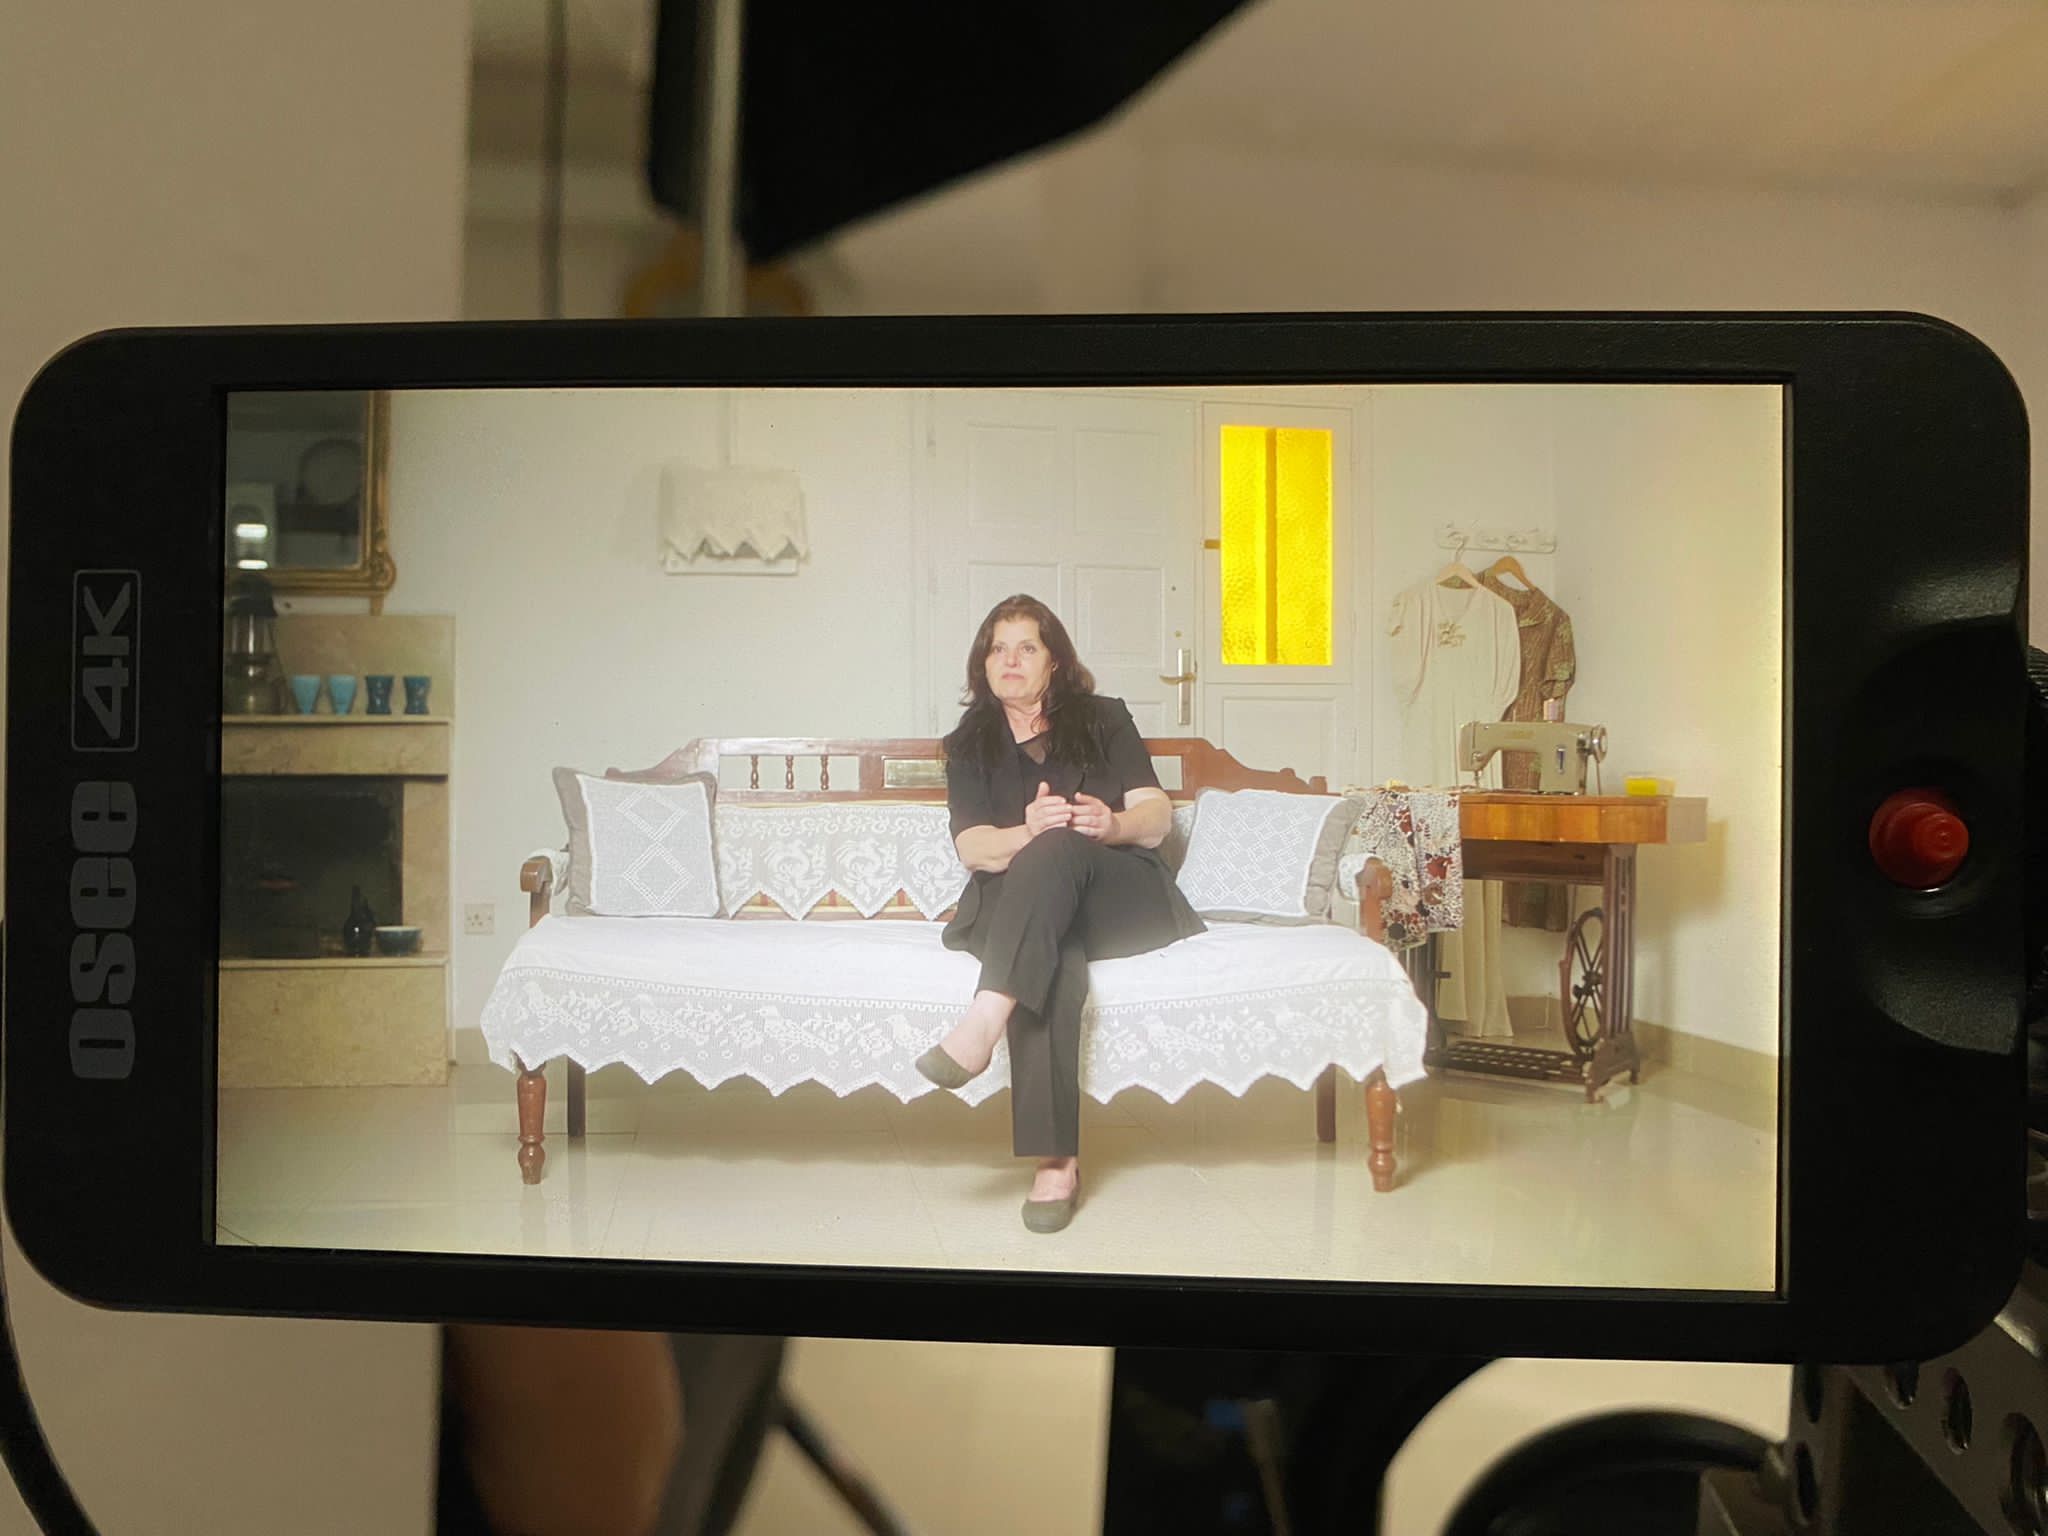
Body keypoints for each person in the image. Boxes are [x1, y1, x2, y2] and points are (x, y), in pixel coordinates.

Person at [916, 594, 1205, 1232]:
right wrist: (1027, 832)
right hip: (1023, 908)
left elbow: (1157, 817)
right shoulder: (969, 744)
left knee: (1059, 852)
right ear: (982, 664)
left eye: (1027, 647)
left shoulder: (1103, 718)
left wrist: (1113, 824)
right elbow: (973, 848)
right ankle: (1057, 1164)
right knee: (1051, 947)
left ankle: (985, 1017)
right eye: (997, 649)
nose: (1010, 660)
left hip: (1114, 894)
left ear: (1055, 661)